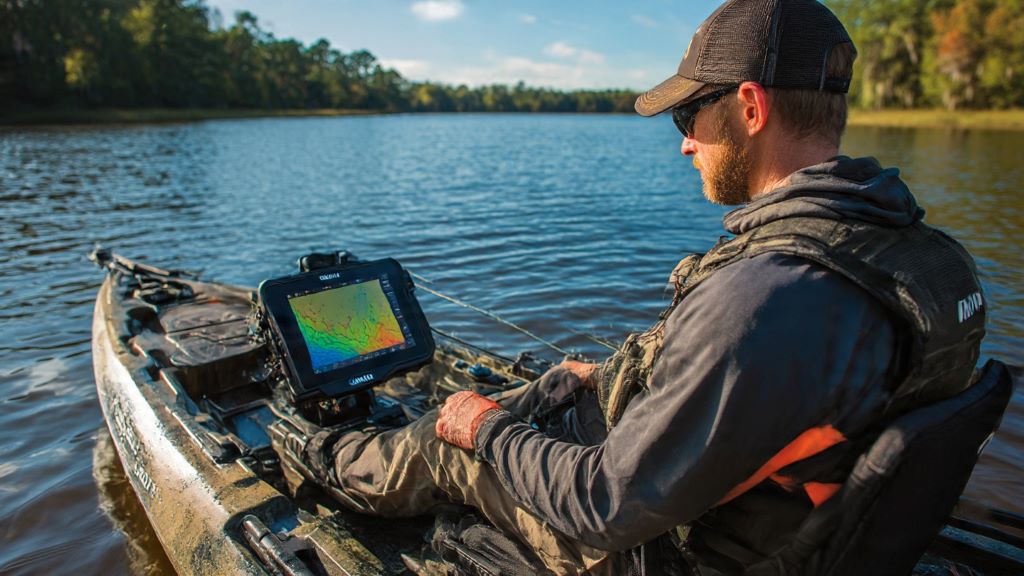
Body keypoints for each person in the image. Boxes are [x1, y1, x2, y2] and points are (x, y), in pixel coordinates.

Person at [277, 0, 987, 574]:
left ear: (749, 107)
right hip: (780, 523)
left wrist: (485, 428)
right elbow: (788, 388)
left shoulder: (763, 298)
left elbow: (606, 505)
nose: (684, 141)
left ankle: (314, 453)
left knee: (445, 435)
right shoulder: (928, 262)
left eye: (689, 115)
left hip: (667, 547)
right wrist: (621, 377)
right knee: (555, 386)